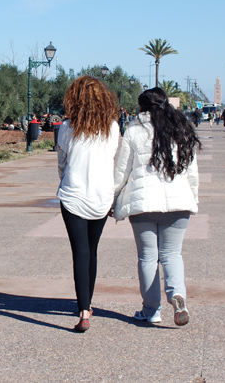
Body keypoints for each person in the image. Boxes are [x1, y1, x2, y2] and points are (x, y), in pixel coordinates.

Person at [113, 87, 200, 327]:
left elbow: (122, 171)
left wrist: (113, 196)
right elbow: (192, 173)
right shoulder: (182, 130)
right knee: (172, 254)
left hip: (143, 204)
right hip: (179, 203)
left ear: (141, 108)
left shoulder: (133, 132)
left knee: (148, 257)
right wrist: (193, 199)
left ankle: (151, 310)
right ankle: (177, 295)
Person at [56, 76, 120, 332]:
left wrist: (65, 177)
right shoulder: (112, 127)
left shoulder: (68, 127)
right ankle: (89, 302)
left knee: (79, 252)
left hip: (73, 195)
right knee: (92, 250)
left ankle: (83, 310)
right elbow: (114, 158)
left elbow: (62, 159)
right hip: (102, 196)